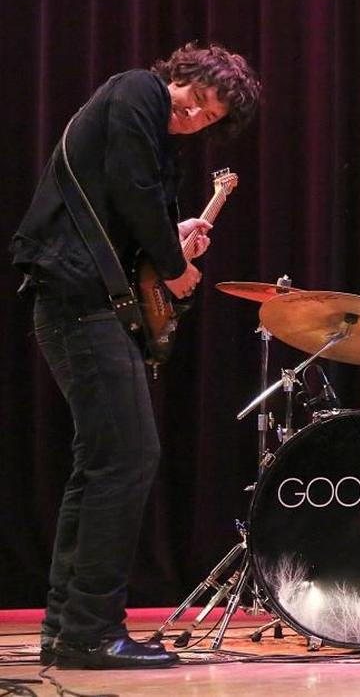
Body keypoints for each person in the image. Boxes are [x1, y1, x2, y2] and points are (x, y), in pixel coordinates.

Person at [10, 42, 261, 669]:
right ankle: (92, 631)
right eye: (196, 98)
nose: (194, 117)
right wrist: (173, 268)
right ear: (179, 75)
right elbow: (131, 187)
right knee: (126, 457)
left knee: (101, 463)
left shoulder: (148, 125)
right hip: (77, 301)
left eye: (209, 118)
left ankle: (70, 628)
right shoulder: (137, 90)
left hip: (79, 299)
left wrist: (166, 240)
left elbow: (121, 205)